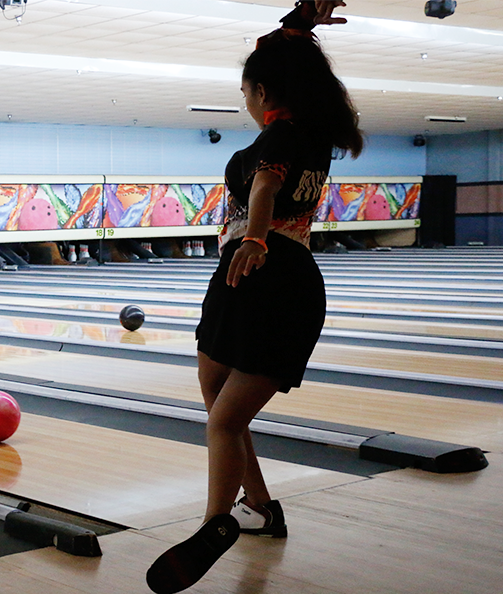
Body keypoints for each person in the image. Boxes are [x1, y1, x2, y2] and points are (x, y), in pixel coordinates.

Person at [146, 2, 363, 593]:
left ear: (261, 91)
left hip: (267, 276)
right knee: (220, 401)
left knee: (222, 418)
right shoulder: (311, 132)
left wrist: (258, 239)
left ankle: (217, 523)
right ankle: (262, 511)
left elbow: (265, 184)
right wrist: (299, 23)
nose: (243, 100)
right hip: (251, 280)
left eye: (245, 91)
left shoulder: (282, 133)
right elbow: (278, 55)